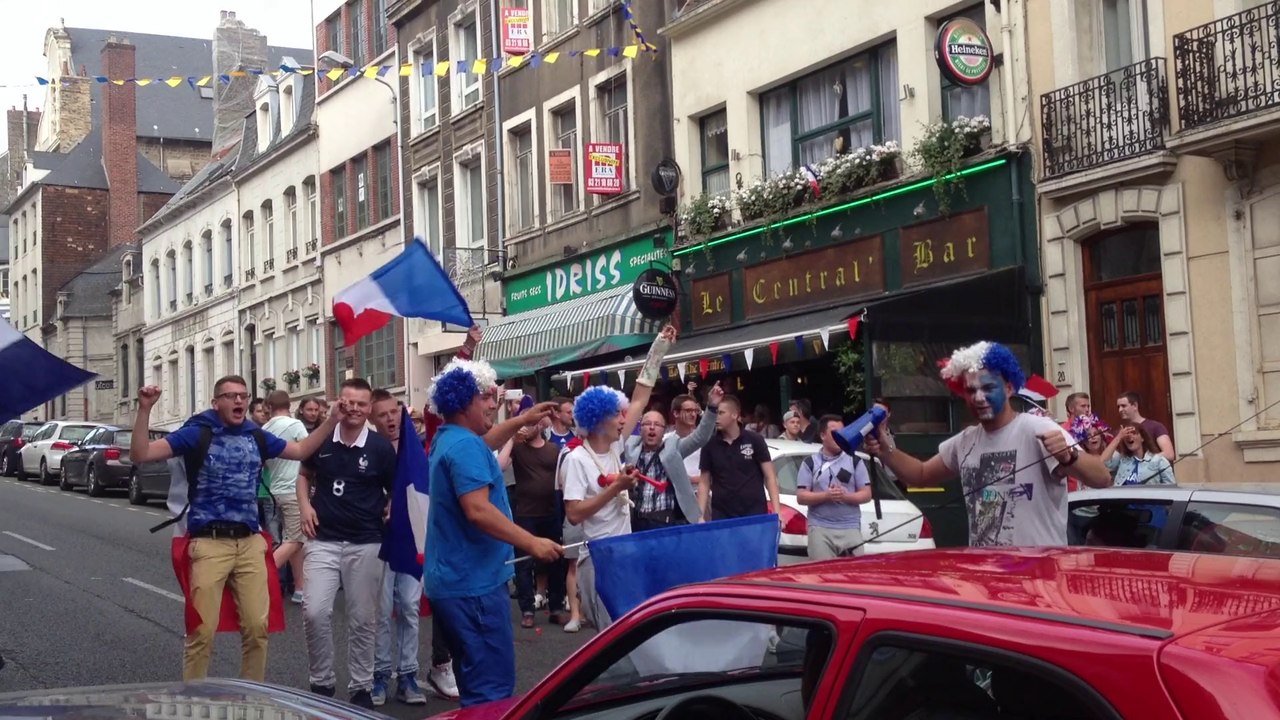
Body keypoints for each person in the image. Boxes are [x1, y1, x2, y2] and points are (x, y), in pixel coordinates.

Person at [129, 377, 338, 682]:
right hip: (209, 542)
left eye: (243, 396)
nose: (239, 401)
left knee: (257, 628)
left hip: (250, 541)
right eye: (231, 396)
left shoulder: (257, 436)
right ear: (217, 403)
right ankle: (195, 699)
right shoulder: (197, 433)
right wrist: (144, 409)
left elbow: (301, 449)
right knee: (202, 630)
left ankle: (250, 698)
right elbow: (141, 454)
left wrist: (331, 420)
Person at [863, 341, 1113, 547]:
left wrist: (1070, 457)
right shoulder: (966, 441)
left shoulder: (1035, 428)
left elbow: (1102, 479)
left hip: (1039, 578)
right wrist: (885, 450)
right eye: (971, 391)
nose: (979, 397)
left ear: (1008, 388)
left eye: (988, 387)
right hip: (987, 576)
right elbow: (920, 474)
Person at [424, 358, 563, 707]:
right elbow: (478, 510)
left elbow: (484, 441)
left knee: (475, 684)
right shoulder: (465, 446)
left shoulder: (451, 437)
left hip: (455, 581)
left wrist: (522, 419)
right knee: (491, 690)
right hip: (474, 585)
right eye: (487, 397)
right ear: (465, 400)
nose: (494, 404)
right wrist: (531, 542)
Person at [562, 325, 678, 631]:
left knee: (628, 633)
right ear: (598, 419)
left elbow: (640, 397)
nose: (626, 419)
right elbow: (573, 514)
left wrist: (659, 348)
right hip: (598, 560)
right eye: (618, 415)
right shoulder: (576, 460)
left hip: (625, 554)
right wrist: (616, 488)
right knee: (608, 636)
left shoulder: (615, 444)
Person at [296, 378, 399, 708]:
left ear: (369, 409)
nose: (353, 408)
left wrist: (391, 504)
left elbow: (396, 485)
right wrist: (305, 506)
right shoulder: (323, 437)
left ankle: (360, 687)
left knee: (362, 618)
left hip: (365, 541)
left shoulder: (381, 447)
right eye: (348, 402)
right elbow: (303, 474)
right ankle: (322, 683)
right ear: (338, 403)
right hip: (323, 539)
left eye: (360, 404)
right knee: (314, 611)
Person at [367, 390, 458, 705]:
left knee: (408, 605)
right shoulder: (368, 451)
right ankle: (379, 675)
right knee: (379, 610)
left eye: (394, 412)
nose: (391, 419)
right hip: (378, 540)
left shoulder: (416, 450)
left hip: (411, 540)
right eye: (383, 414)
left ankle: (407, 675)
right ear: (371, 419)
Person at [623, 382, 722, 531]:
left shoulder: (672, 448)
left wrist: (712, 407)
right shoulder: (630, 447)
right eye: (647, 424)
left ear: (664, 431)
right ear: (639, 428)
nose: (651, 427)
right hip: (637, 521)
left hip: (666, 521)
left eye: (657, 425)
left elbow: (700, 437)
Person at [511, 414, 570, 629]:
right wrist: (512, 436)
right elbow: (500, 463)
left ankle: (556, 606)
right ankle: (527, 609)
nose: (526, 428)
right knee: (524, 562)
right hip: (525, 513)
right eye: (524, 424)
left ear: (540, 425)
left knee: (555, 559)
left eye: (530, 424)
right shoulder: (517, 448)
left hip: (550, 511)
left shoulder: (553, 449)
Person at [795, 415, 872, 559]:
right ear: (823, 435)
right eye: (834, 433)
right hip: (820, 528)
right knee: (822, 575)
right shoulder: (810, 463)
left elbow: (866, 494)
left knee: (852, 575)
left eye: (843, 433)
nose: (839, 437)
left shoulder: (855, 461)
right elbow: (801, 496)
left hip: (850, 527)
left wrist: (846, 496)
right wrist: (826, 496)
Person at [697, 394, 782, 521]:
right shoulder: (709, 444)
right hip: (722, 515)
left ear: (735, 415)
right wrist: (700, 516)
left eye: (721, 413)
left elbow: (770, 477)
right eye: (716, 413)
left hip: (754, 513)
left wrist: (777, 512)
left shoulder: (755, 440)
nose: (716, 417)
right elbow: (704, 483)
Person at [262, 390, 308, 605]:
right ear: (289, 405)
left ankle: (300, 588)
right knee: (296, 539)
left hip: (274, 492)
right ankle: (256, 576)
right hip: (292, 490)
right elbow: (309, 453)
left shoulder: (264, 429)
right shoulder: (295, 425)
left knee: (290, 540)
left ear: (269, 407)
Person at [1102, 422, 1176, 486]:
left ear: (1142, 438)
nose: (1129, 436)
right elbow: (1102, 463)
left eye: (1133, 433)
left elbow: (1171, 489)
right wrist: (1119, 437)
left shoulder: (1159, 461)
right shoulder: (1121, 459)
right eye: (1126, 434)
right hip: (1122, 501)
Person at [1116, 391, 1174, 461]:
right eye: (1118, 407)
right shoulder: (1120, 432)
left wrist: (1144, 461)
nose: (1120, 410)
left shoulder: (1155, 426)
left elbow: (1169, 454)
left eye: (1123, 406)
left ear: (1135, 405)